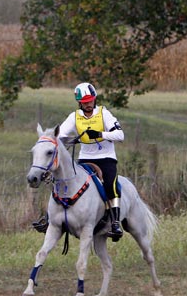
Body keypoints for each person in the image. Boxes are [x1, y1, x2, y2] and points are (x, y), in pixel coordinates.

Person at [32, 82, 125, 241]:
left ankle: (115, 222)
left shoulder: (104, 113)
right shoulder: (74, 117)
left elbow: (120, 135)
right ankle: (50, 218)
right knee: (62, 181)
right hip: (85, 158)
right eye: (84, 102)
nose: (88, 104)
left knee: (110, 184)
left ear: (94, 99)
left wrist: (101, 134)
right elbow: (59, 135)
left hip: (106, 158)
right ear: (79, 102)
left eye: (90, 100)